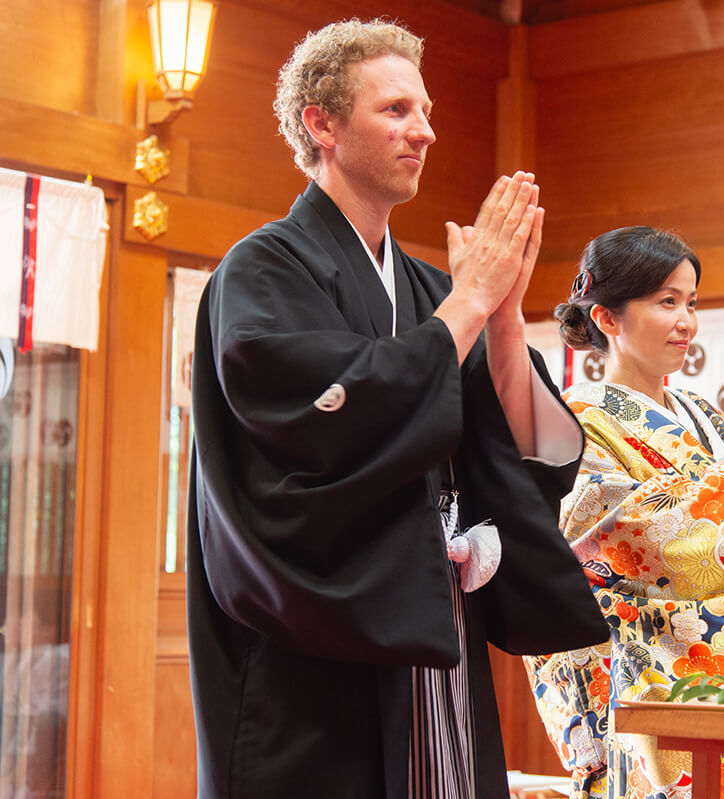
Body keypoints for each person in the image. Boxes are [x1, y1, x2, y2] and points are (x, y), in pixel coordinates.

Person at [186, 18, 608, 799]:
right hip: (318, 642)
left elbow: (510, 444)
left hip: (434, 626)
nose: (425, 131)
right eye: (396, 111)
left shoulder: (425, 288)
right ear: (323, 125)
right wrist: (470, 302)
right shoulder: (262, 269)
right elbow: (320, 415)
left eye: (425, 110)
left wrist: (505, 314)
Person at [524, 226, 724, 799]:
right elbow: (615, 541)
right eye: (666, 302)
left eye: (691, 303)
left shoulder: (706, 416)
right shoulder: (576, 420)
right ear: (607, 318)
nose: (687, 322)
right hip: (669, 674)